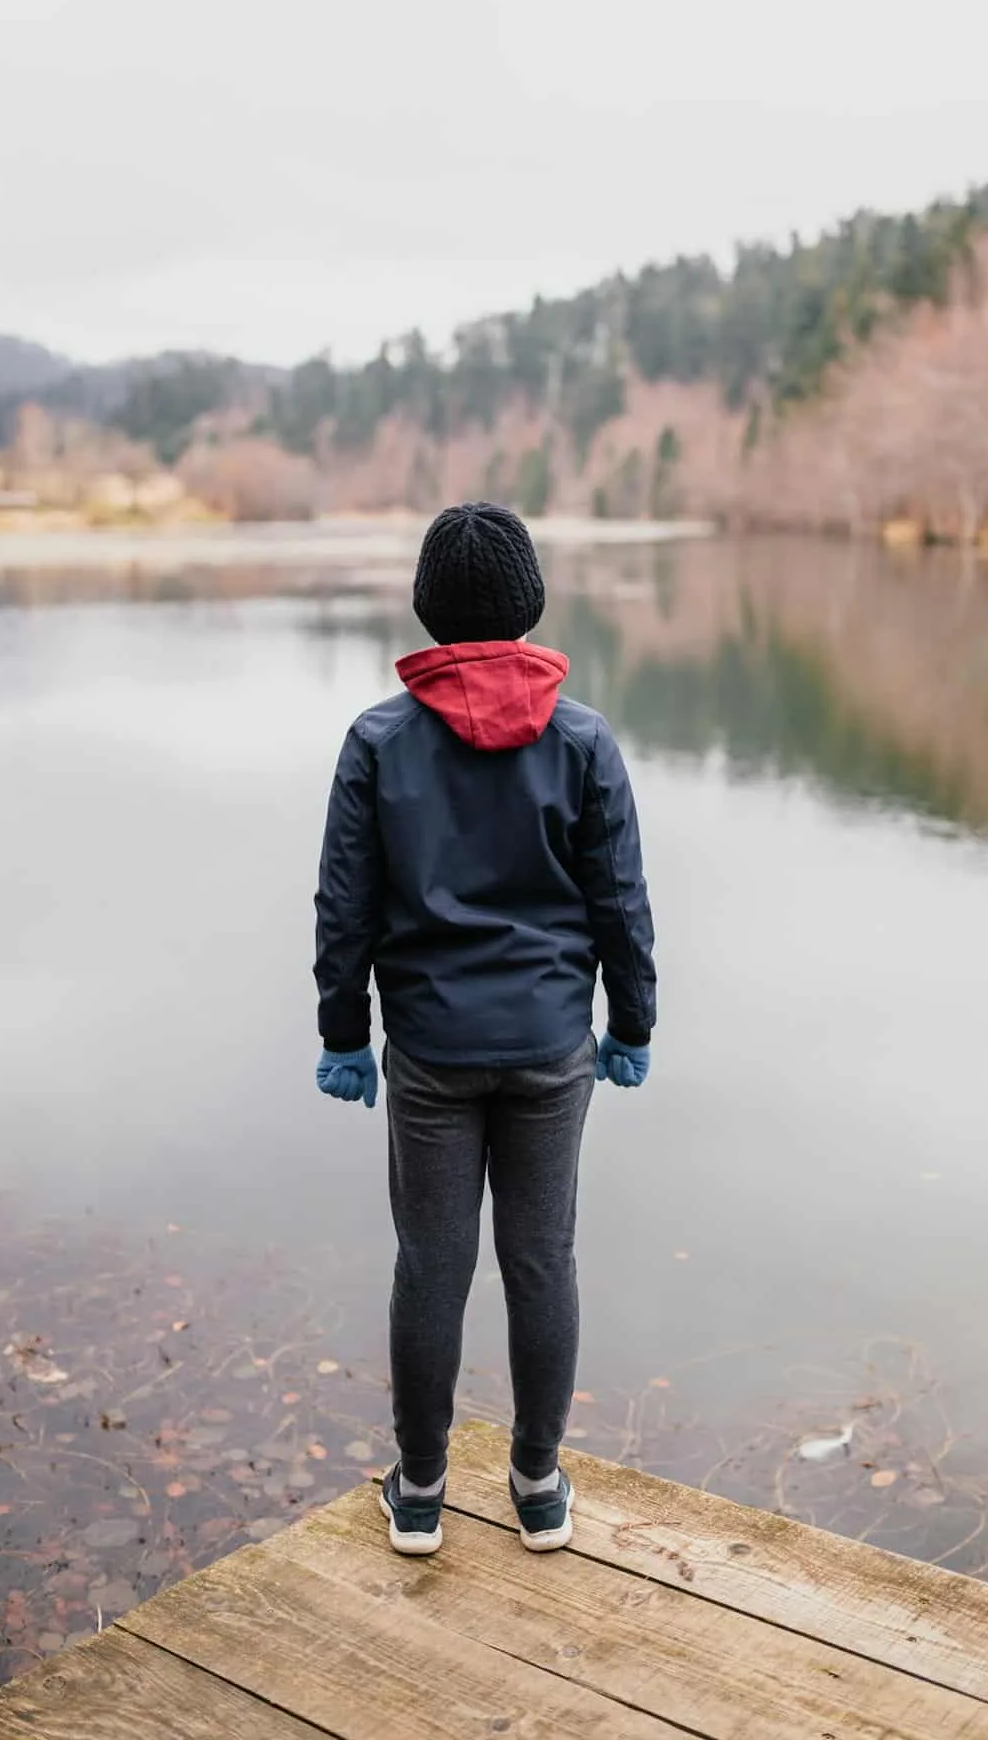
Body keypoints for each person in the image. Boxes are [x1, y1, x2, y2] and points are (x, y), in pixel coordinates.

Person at [313, 503, 656, 1556]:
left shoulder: (378, 740)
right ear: (529, 602)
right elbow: (621, 900)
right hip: (553, 1049)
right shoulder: (585, 738)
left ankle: (419, 1494)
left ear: (427, 607)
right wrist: (632, 1020)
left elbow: (345, 905)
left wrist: (342, 1029)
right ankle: (539, 1486)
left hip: (429, 1053)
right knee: (542, 1260)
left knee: (431, 1264)